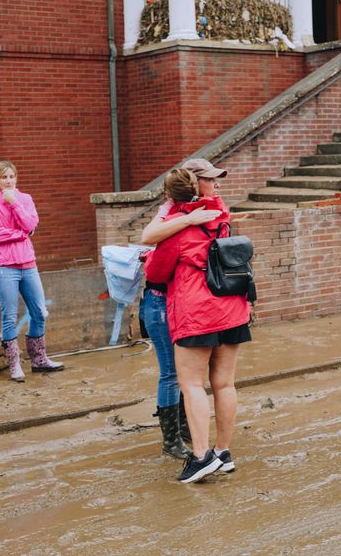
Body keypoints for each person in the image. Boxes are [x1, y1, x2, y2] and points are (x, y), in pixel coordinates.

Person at [144, 166, 252, 484]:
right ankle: (223, 452)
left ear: (170, 197)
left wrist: (151, 255)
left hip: (197, 313)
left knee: (192, 385)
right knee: (225, 384)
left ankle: (202, 456)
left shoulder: (175, 230)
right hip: (232, 307)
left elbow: (156, 274)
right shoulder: (220, 216)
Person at [139, 160, 224, 460]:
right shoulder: (172, 214)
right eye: (210, 180)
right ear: (193, 182)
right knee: (172, 374)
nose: (216, 185)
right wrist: (188, 221)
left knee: (187, 373)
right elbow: (150, 242)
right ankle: (171, 439)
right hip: (161, 300)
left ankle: (187, 427)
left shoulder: (212, 212)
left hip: (184, 303)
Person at [0, 161, 64, 382]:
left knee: (39, 311)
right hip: (4, 266)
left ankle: (39, 359)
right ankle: (15, 365)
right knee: (9, 316)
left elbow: (30, 223)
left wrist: (14, 203)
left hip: (28, 264)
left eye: (12, 176)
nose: (8, 181)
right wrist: (21, 234)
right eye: (4, 177)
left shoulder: (24, 199)